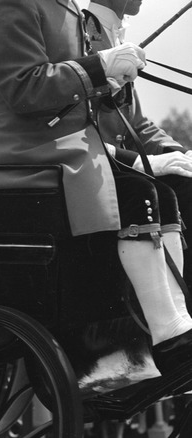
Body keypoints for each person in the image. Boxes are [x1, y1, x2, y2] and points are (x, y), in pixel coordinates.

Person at [0, 0, 192, 375]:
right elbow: (23, 89)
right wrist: (99, 67)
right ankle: (168, 332)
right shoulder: (15, 3)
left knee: (165, 193)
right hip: (23, 155)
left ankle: (175, 323)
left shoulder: (66, 6)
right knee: (141, 194)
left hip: (67, 153)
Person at [85, 0, 192, 289]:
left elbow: (138, 124)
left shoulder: (112, 33)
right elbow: (80, 127)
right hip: (94, 169)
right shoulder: (82, 33)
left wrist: (179, 154)